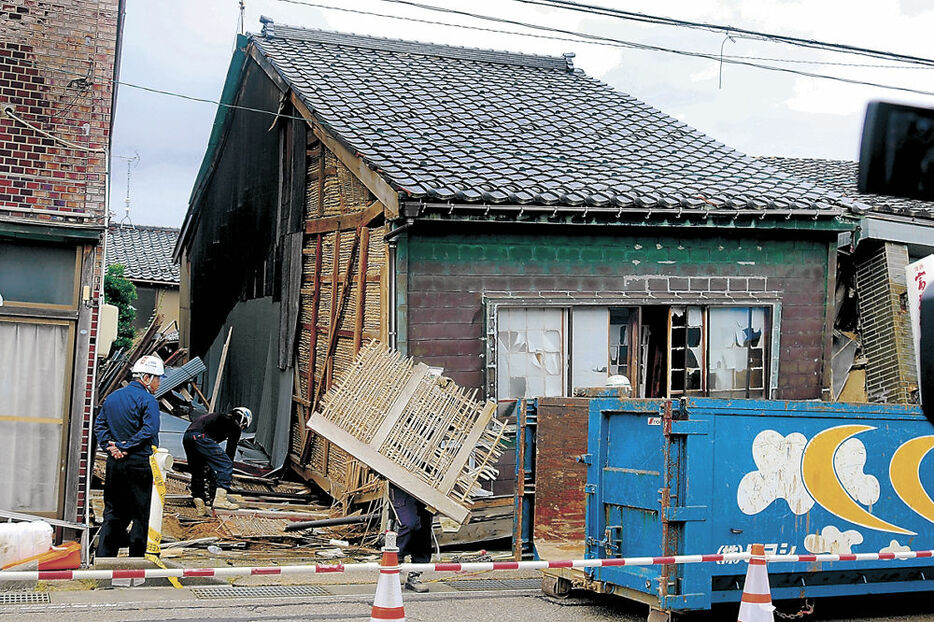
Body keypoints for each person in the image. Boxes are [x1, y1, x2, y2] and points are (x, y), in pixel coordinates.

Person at [93, 354, 163, 557]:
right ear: (147, 377)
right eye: (158, 378)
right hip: (139, 464)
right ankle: (136, 563)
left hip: (115, 464)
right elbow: (149, 430)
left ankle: (104, 560)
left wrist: (110, 447)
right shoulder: (148, 400)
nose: (158, 383)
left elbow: (100, 425)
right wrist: (126, 446)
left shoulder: (113, 397)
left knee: (113, 512)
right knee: (141, 514)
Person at [183, 407, 252, 515]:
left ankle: (200, 503)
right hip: (200, 437)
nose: (242, 428)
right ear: (243, 420)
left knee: (198, 470)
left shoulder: (218, 419)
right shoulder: (234, 425)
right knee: (225, 464)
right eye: (243, 426)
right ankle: (220, 499)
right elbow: (230, 452)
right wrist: (225, 477)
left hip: (188, 436)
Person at [389, 485, 433, 593]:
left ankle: (415, 575)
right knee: (409, 523)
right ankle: (396, 564)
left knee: (424, 530)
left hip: (427, 488)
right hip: (403, 487)